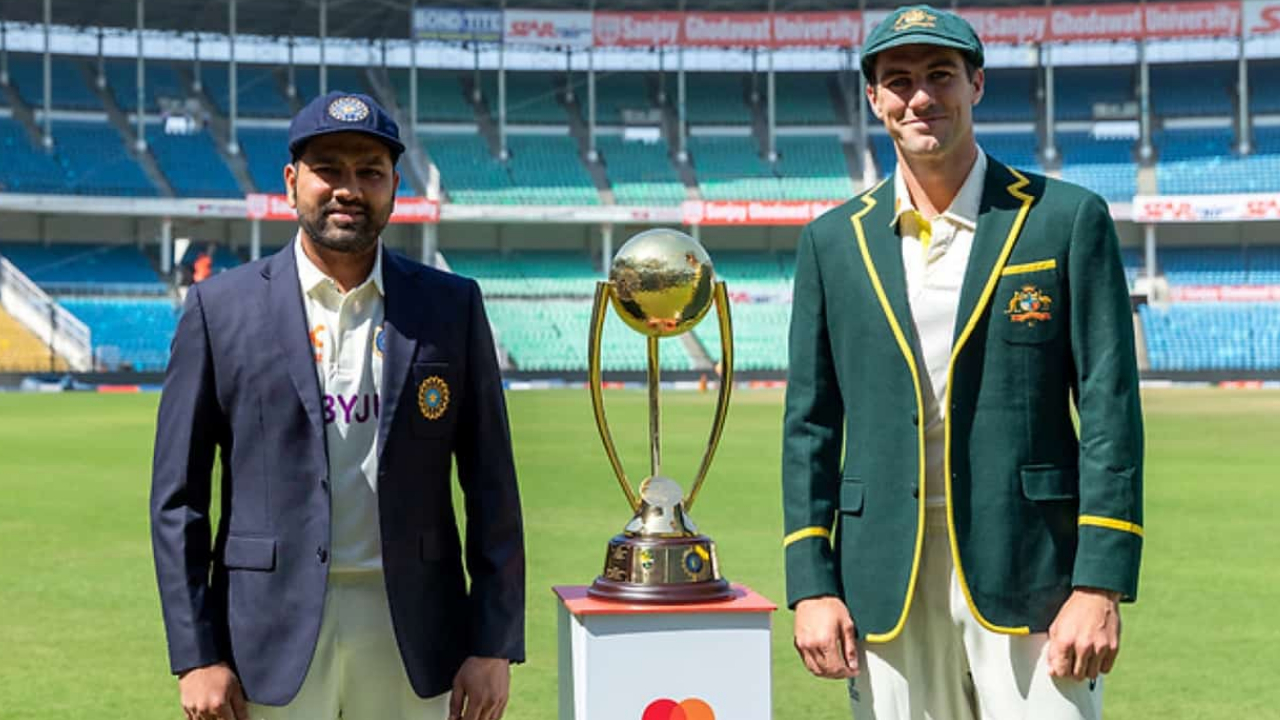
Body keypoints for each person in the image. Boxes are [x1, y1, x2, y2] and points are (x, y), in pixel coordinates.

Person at [781, 6, 1143, 719]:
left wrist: (1099, 585)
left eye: (940, 75)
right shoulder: (830, 243)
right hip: (885, 577)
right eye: (899, 80)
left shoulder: (1065, 218)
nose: (921, 96)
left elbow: (1109, 409)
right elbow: (810, 428)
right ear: (874, 98)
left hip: (1034, 572)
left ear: (976, 84)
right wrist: (811, 584)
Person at [151, 91, 524, 720]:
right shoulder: (221, 309)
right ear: (293, 182)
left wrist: (492, 642)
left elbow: (492, 485)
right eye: (329, 168)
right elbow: (178, 499)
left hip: (414, 630)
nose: (349, 188)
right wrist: (196, 654)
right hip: (267, 631)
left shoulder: (450, 305)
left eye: (369, 172)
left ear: (394, 187)